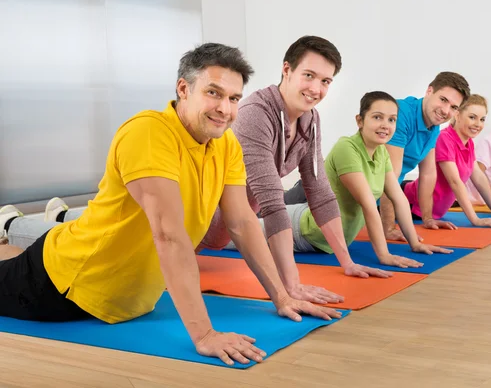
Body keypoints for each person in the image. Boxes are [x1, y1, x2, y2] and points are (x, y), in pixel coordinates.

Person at [0, 42, 340, 367]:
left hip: (130, 298)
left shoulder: (225, 145)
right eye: (213, 93)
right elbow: (168, 235)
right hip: (64, 283)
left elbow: (242, 223)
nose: (225, 108)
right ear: (183, 89)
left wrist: (282, 296)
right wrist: (205, 334)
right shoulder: (150, 133)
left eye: (234, 98)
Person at [199, 36, 388, 306]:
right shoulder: (256, 114)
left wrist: (347, 262)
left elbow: (320, 192)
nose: (316, 89)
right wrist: (291, 286)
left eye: (325, 81)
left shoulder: (310, 119)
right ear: (286, 70)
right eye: (309, 75)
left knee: (220, 239)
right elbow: (272, 203)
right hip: (200, 220)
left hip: (232, 223)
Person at [227, 91, 453, 267]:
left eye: (392, 120)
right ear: (360, 120)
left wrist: (414, 243)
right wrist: (384, 256)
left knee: (233, 221)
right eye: (377, 117)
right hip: (303, 230)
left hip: (325, 239)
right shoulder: (348, 147)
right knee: (224, 234)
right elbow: (368, 205)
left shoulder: (382, 152)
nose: (386, 125)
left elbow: (399, 198)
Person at [401, 94, 491, 227]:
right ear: (457, 115)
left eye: (482, 119)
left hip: (434, 212)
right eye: (472, 117)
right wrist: (475, 219)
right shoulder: (444, 139)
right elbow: (455, 182)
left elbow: (479, 177)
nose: (478, 124)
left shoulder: (469, 143)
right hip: (409, 202)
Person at [379, 72, 471, 241]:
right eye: (443, 100)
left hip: (377, 197)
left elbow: (428, 174)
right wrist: (389, 228)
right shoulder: (401, 114)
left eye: (453, 107)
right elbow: (389, 175)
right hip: (352, 195)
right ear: (429, 91)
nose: (445, 110)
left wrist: (427, 218)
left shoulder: (433, 126)